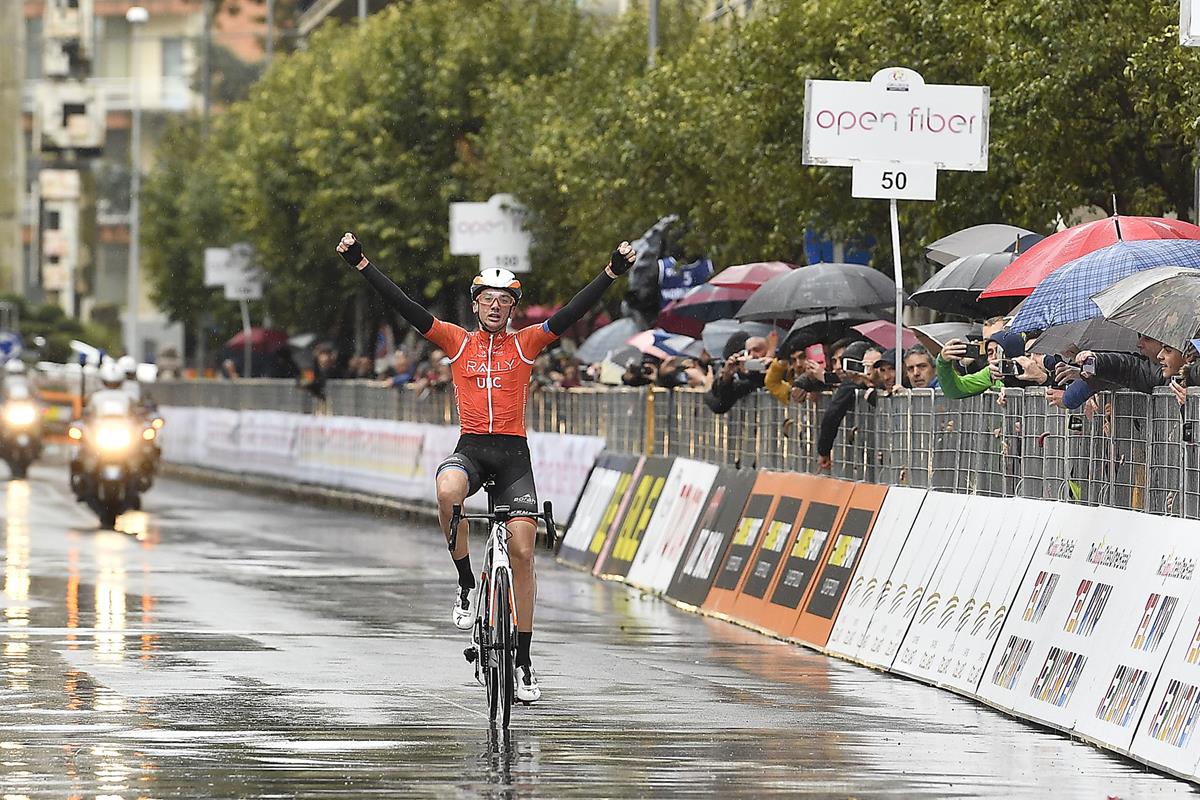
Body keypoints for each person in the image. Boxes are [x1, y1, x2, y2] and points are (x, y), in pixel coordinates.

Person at [337, 231, 636, 703]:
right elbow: (406, 306)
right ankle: (464, 584)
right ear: (475, 305)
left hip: (514, 456)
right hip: (473, 449)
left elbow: (572, 312)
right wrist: (361, 264)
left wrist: (612, 272)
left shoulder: (527, 344)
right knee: (447, 489)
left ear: (512, 308)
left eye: (504, 301)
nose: (496, 307)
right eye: (487, 300)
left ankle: (523, 661)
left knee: (523, 552)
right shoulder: (456, 342)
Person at [816, 341, 879, 471]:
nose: (842, 369)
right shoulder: (850, 384)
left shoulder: (852, 385)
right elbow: (832, 415)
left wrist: (824, 450)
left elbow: (832, 414)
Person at [703, 334, 772, 414]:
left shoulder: (779, 366)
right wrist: (727, 377)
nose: (752, 355)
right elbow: (722, 403)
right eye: (748, 352)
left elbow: (766, 380)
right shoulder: (746, 378)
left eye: (757, 350)